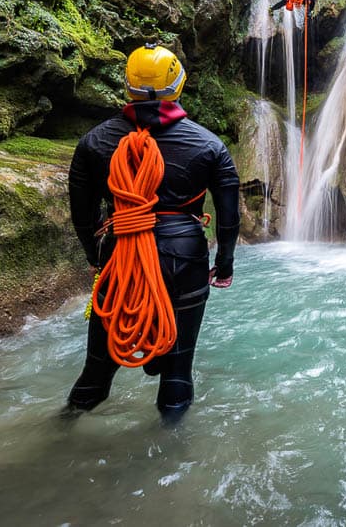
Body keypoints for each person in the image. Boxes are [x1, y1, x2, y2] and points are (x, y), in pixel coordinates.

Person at [65, 43, 240, 423]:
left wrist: (98, 257)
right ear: (178, 84)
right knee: (177, 373)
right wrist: (224, 265)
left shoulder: (94, 142)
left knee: (97, 369)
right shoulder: (209, 146)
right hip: (184, 256)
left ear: (127, 86)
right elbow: (228, 217)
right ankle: (173, 463)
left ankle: (60, 433)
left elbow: (83, 215)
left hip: (121, 254)